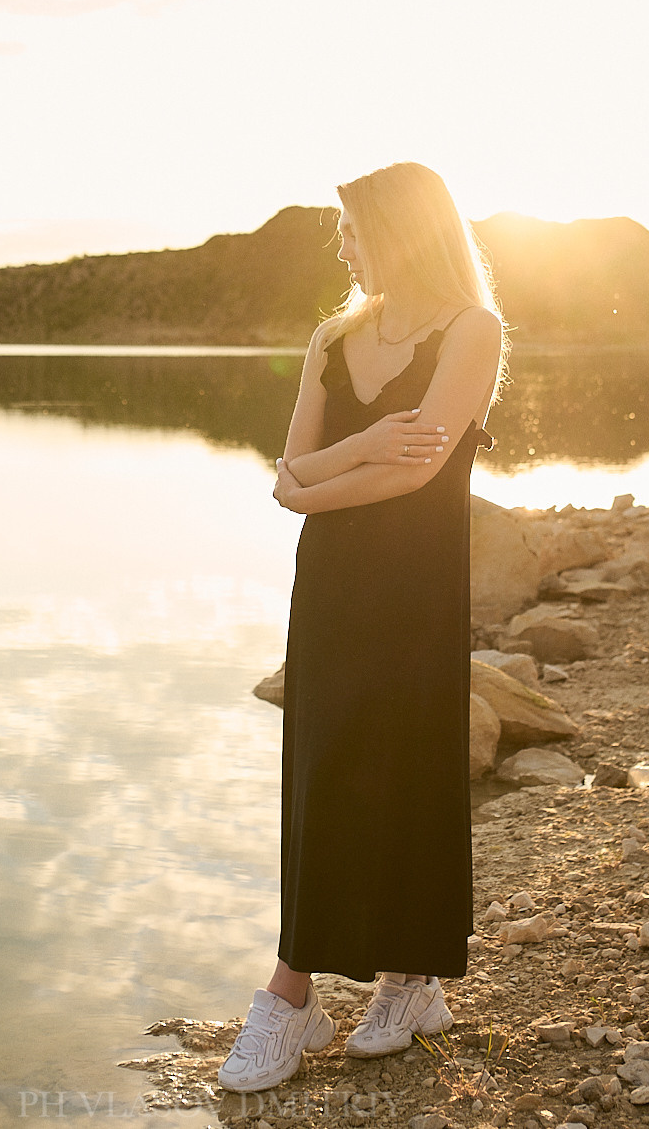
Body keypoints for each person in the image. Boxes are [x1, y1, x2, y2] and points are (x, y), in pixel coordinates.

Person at [217, 161, 507, 1093]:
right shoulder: (333, 338)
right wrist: (365, 445)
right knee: (323, 765)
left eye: (352, 228)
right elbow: (289, 471)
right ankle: (292, 993)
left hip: (417, 587)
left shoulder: (472, 330)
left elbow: (414, 473)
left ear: (400, 231)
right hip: (334, 588)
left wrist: (319, 481)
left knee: (409, 763)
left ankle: (411, 979)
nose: (342, 247)